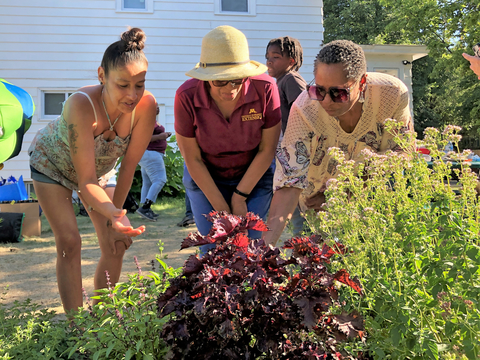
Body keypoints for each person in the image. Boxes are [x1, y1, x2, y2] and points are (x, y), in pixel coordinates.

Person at [28, 27, 157, 314]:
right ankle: (76, 328)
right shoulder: (81, 105)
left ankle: (101, 323)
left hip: (99, 174)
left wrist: (116, 219)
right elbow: (84, 182)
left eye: (140, 85)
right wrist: (110, 212)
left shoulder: (147, 107)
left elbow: (128, 168)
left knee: (117, 242)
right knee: (70, 242)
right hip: (53, 166)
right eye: (123, 85)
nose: (132, 94)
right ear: (102, 76)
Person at [264, 40, 414, 246]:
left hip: (371, 197)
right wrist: (263, 252)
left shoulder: (392, 94)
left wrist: (341, 194)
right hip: (315, 204)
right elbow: (289, 182)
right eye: (319, 90)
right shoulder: (305, 109)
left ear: (361, 84)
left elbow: (403, 152)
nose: (325, 101)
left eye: (338, 93)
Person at [174, 25, 281, 253]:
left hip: (255, 175)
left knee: (251, 249)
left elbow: (267, 149)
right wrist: (223, 209)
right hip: (205, 178)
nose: (230, 89)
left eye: (237, 80)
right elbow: (192, 158)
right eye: (220, 81)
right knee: (213, 248)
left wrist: (240, 197)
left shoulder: (266, 89)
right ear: (205, 78)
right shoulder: (186, 96)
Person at [265, 36, 307, 236]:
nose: (269, 61)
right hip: (286, 154)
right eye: (267, 57)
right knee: (292, 208)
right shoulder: (279, 81)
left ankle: (305, 252)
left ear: (291, 61)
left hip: (297, 155)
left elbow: (305, 113)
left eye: (276, 56)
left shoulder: (291, 79)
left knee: (299, 208)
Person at [136, 105, 172, 221]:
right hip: (151, 154)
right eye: (153, 106)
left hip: (148, 154)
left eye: (157, 105)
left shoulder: (151, 120)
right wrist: (162, 136)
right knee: (160, 180)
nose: (157, 107)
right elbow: (143, 138)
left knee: (147, 182)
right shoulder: (147, 120)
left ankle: (144, 209)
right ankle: (145, 208)